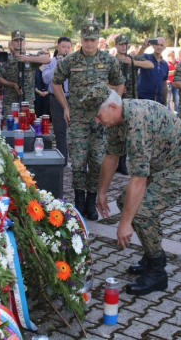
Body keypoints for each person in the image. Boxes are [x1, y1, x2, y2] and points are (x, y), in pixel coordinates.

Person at [84, 84, 181, 295]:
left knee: (141, 212)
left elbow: (138, 179)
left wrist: (124, 223)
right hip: (163, 164)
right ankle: (151, 256)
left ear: (112, 106)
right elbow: (111, 156)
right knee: (126, 204)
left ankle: (158, 272)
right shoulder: (117, 118)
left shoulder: (137, 122)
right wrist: (101, 193)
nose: (96, 120)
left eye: (97, 115)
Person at [51, 22, 125, 221]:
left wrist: (113, 106)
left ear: (98, 40)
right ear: (81, 40)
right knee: (78, 162)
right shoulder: (71, 60)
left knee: (96, 161)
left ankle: (92, 202)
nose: (89, 43)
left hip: (101, 122)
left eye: (93, 40)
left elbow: (120, 82)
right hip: (78, 120)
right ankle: (79, 201)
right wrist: (65, 106)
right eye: (86, 40)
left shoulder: (108, 60)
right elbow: (55, 81)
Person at [114, 34, 154, 175]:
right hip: (116, 100)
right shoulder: (112, 61)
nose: (123, 46)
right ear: (116, 46)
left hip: (131, 101)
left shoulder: (131, 59)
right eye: (121, 44)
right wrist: (115, 87)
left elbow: (150, 65)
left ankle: (122, 163)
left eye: (125, 44)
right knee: (114, 133)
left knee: (127, 132)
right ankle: (114, 162)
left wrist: (132, 62)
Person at [0, 30, 51, 116]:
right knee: (11, 126)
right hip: (11, 102)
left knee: (28, 126)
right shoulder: (6, 60)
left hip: (28, 102)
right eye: (16, 40)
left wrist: (27, 59)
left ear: (25, 42)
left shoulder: (30, 58)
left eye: (21, 40)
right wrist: (12, 84)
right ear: (12, 42)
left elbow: (47, 60)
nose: (19, 43)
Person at [43, 37, 72, 164]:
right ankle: (63, 159)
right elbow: (45, 78)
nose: (65, 49)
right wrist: (58, 67)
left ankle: (76, 158)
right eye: (63, 46)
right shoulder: (51, 61)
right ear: (57, 47)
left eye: (68, 47)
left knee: (75, 130)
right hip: (55, 98)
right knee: (59, 130)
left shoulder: (73, 62)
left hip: (71, 98)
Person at [136, 37, 169, 104]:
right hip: (143, 99)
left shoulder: (165, 64)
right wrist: (143, 48)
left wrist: (165, 103)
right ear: (153, 46)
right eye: (157, 44)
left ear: (164, 48)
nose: (159, 47)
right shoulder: (146, 57)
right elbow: (136, 60)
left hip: (158, 101)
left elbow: (164, 85)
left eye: (161, 45)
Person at [34, 50, 51, 117]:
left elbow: (51, 80)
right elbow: (32, 81)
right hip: (37, 95)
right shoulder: (35, 69)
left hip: (47, 95)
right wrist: (38, 92)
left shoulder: (48, 68)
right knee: (36, 113)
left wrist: (47, 91)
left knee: (45, 115)